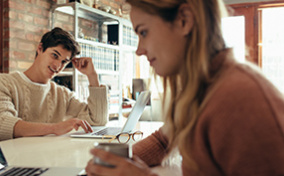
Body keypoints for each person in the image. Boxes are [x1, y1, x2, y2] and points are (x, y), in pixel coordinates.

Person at [85, 0, 284, 175]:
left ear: (184, 20)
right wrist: (113, 165)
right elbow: (163, 140)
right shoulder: (203, 90)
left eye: (144, 32)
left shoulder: (240, 99)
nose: (139, 50)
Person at [0, 27, 108, 141]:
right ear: (40, 48)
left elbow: (98, 121)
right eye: (55, 55)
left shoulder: (63, 94)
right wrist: (55, 128)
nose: (57, 66)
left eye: (63, 62)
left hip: (48, 157)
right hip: (11, 158)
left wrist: (92, 76)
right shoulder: (5, 83)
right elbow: (3, 124)